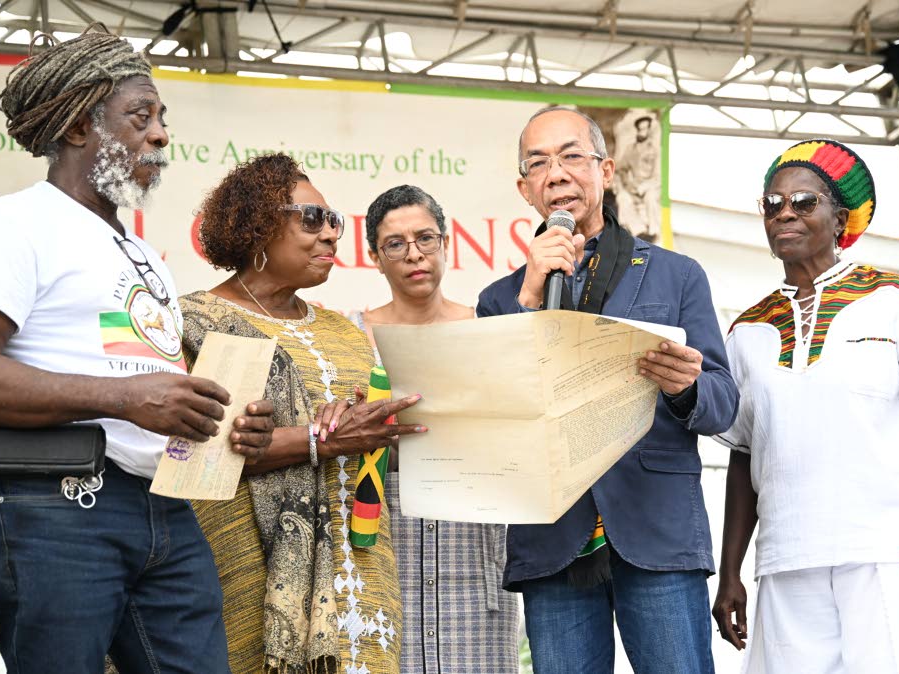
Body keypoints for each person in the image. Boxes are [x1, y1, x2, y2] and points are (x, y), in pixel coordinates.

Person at [0, 28, 275, 673]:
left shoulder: (143, 255)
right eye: (141, 117)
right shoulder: (12, 224)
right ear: (79, 126)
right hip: (54, 506)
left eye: (163, 119)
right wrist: (125, 398)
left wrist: (222, 425)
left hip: (164, 508)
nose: (160, 135)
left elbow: (146, 391)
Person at [477, 106, 739, 674]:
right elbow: (494, 417)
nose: (556, 173)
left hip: (656, 528)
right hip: (553, 539)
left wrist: (686, 388)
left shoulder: (676, 274)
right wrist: (529, 299)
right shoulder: (500, 299)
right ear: (525, 189)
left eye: (572, 156)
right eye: (538, 163)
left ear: (607, 170)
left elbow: (724, 402)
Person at [710, 139, 899, 672]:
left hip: (890, 551)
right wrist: (730, 571)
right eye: (772, 203)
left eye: (804, 202)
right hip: (788, 558)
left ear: (839, 219)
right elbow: (744, 458)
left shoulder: (894, 300)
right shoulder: (746, 330)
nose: (785, 213)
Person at [183, 152, 427, 674]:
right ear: (258, 227)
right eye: (312, 219)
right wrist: (323, 440)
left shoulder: (346, 332)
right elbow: (198, 456)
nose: (331, 234)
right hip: (251, 572)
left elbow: (373, 441)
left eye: (333, 220)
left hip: (364, 574)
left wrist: (384, 427)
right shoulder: (196, 322)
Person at [352, 184, 520, 673]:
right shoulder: (352, 336)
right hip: (385, 542)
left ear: (446, 243)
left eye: (425, 238)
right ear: (374, 258)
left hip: (472, 543)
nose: (414, 254)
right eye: (395, 244)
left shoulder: (485, 328)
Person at [613, 115, 661, 241]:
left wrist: (644, 187)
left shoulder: (656, 150)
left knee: (650, 197)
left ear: (649, 130)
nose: (641, 132)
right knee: (622, 197)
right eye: (640, 129)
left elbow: (658, 176)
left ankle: (654, 231)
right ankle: (639, 231)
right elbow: (620, 169)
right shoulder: (631, 148)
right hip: (634, 186)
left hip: (651, 185)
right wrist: (627, 183)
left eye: (644, 129)